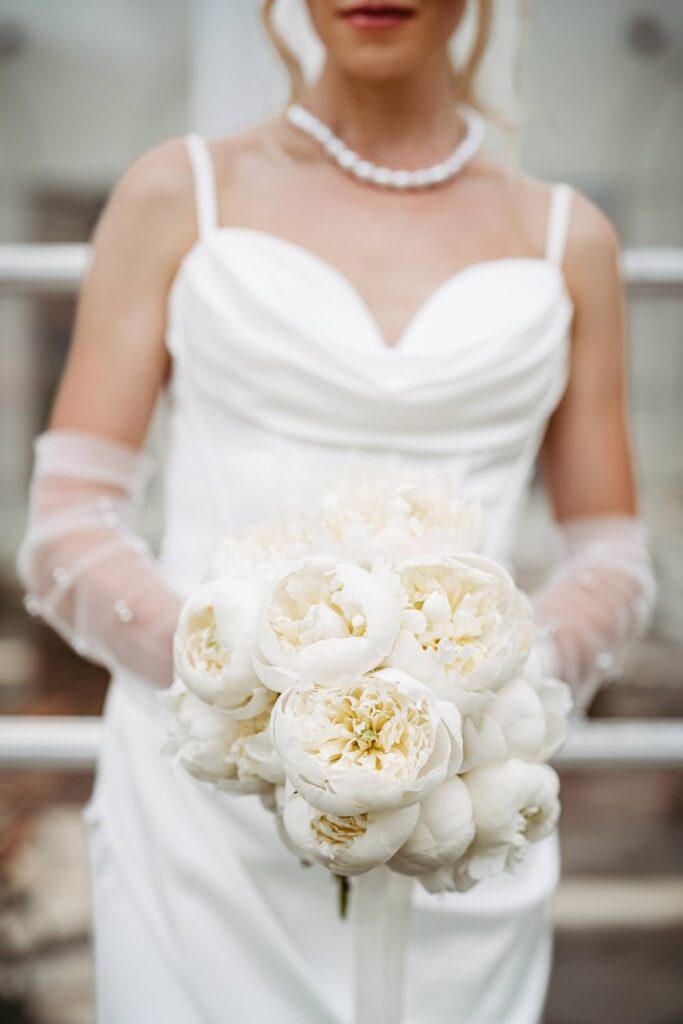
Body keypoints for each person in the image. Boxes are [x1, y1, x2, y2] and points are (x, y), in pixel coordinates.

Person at [15, 1, 657, 1021]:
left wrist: (484, 695)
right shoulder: (179, 194)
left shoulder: (565, 237)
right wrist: (251, 700)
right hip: (201, 816)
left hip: (464, 802)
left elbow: (609, 556)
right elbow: (69, 522)